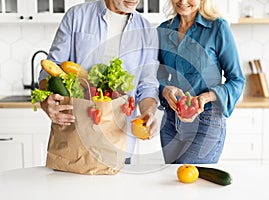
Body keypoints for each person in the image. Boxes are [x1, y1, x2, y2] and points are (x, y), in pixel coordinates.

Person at [38, 0, 159, 164]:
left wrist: (149, 112)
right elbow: (52, 67)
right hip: (75, 136)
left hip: (119, 140)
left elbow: (148, 86)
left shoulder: (147, 31)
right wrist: (46, 100)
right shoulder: (77, 16)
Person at [157, 0, 245, 164]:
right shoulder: (162, 30)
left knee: (193, 184)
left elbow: (237, 80)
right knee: (172, 185)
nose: (182, 2)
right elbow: (153, 76)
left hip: (206, 122)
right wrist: (164, 89)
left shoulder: (218, 28)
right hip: (170, 122)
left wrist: (206, 97)